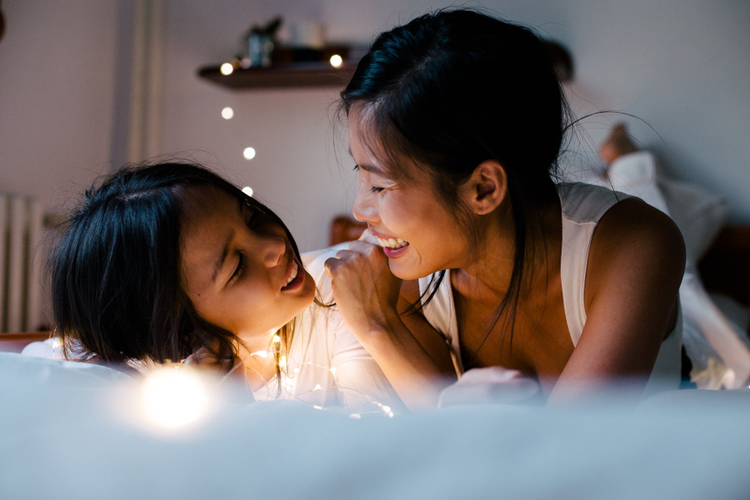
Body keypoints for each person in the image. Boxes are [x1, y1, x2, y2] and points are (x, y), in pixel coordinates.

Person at [324, 9, 686, 409]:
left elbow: (561, 454)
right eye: (361, 173)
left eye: (379, 184)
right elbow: (448, 446)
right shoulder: (399, 280)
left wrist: (379, 327)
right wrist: (381, 322)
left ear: (483, 188)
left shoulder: (639, 244)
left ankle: (626, 162)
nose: (360, 210)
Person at [48, 162, 405, 414]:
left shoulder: (339, 288)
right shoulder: (146, 380)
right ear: (179, 332)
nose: (274, 245)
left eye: (251, 215)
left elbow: (383, 439)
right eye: (236, 267)